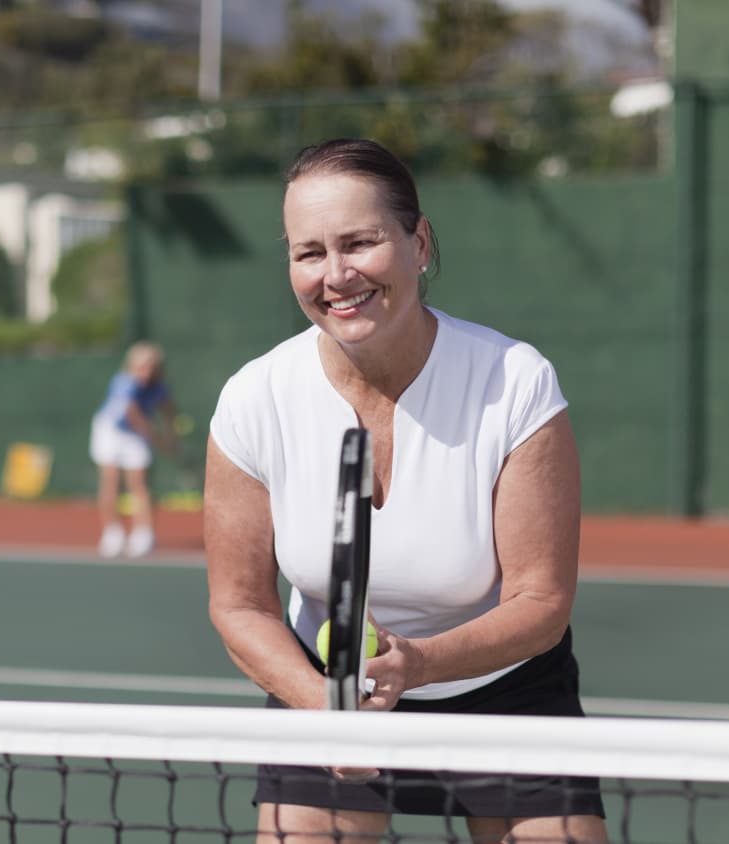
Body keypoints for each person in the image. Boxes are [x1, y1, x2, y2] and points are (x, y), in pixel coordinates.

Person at [204, 138, 608, 843]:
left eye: (361, 242)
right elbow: (239, 604)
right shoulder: (254, 398)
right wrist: (328, 707)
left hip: (505, 695)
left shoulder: (513, 382)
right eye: (309, 252)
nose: (336, 275)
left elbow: (541, 602)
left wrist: (416, 666)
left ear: (418, 242)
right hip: (324, 691)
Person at [90, 340, 176, 558]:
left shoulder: (159, 387)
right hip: (110, 431)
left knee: (139, 484)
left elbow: (168, 410)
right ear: (132, 366)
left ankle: (143, 534)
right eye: (142, 367)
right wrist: (157, 439)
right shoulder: (124, 382)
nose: (146, 372)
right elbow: (133, 415)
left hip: (136, 437)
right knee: (110, 481)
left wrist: (169, 434)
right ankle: (112, 533)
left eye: (152, 367)